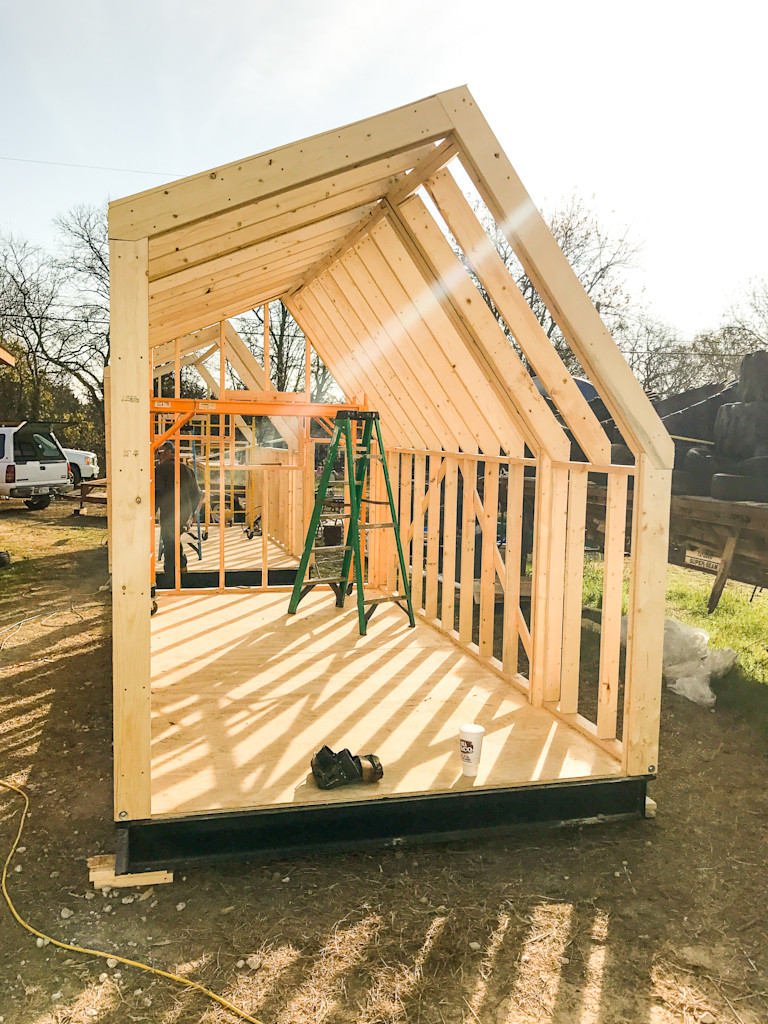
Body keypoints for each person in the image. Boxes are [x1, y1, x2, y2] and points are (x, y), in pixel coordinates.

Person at [154, 441, 201, 584]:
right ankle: (182, 568)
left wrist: (151, 512)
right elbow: (196, 495)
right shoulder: (187, 470)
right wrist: (192, 514)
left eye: (160, 452)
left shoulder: (160, 470)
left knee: (169, 544)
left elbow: (157, 494)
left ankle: (171, 576)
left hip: (169, 513)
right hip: (184, 514)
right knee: (173, 540)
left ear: (170, 452)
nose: (158, 456)